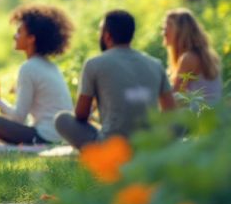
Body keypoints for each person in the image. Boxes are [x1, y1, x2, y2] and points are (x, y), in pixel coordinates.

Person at [54, 10, 177, 149]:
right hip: (147, 144)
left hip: (111, 146)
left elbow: (81, 115)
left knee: (62, 119)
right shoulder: (155, 64)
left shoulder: (94, 63)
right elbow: (170, 111)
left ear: (107, 36)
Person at [0, 5, 74, 145]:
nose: (14, 36)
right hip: (63, 135)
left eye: (19, 32)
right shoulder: (51, 66)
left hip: (45, 137)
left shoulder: (29, 67)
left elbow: (18, 118)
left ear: (31, 39)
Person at [163, 8, 223, 107]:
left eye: (168, 27)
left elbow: (173, 98)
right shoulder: (205, 55)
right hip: (213, 116)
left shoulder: (189, 58)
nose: (164, 32)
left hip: (202, 118)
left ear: (180, 31)